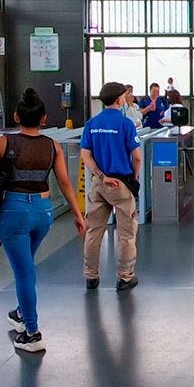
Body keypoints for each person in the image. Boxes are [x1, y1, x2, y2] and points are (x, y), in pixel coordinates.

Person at [0, 88, 88, 353]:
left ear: (15, 116)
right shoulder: (52, 145)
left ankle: (32, 333)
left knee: (24, 271)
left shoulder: (4, 142)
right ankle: (21, 313)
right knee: (27, 265)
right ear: (44, 119)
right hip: (43, 213)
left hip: (14, 212)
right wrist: (78, 215)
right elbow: (65, 182)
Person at [80, 81, 143, 291]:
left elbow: (85, 155)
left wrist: (100, 175)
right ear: (119, 99)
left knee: (93, 231)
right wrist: (132, 179)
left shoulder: (91, 124)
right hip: (121, 183)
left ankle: (91, 276)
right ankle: (125, 278)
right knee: (126, 234)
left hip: (98, 184)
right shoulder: (126, 124)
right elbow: (137, 157)